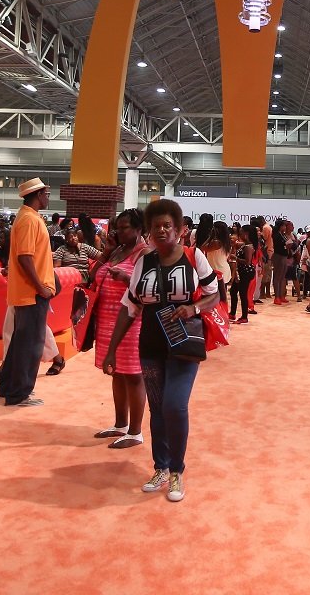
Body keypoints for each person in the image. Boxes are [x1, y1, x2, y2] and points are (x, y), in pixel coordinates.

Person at [105, 198, 220, 503]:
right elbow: (131, 307)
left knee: (174, 405)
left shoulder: (194, 257)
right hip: (151, 344)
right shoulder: (144, 261)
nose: (161, 230)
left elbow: (214, 294)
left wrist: (193, 308)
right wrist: (112, 350)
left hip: (184, 343)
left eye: (167, 225)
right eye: (155, 226)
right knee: (157, 409)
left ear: (180, 230)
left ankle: (177, 471)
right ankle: (161, 467)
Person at [90, 208, 149, 448]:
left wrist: (125, 279)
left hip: (131, 321)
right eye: (117, 227)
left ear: (138, 229)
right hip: (108, 320)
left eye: (125, 228)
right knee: (116, 372)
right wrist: (105, 252)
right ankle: (120, 424)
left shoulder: (144, 254)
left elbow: (147, 289)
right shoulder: (117, 250)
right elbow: (93, 275)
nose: (119, 232)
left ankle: (135, 431)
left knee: (133, 375)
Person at [0, 178, 57, 407]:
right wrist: (40, 286)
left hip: (28, 292)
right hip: (32, 293)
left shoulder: (27, 218)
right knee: (30, 345)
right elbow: (25, 257)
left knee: (20, 343)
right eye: (47, 193)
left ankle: (8, 387)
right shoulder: (29, 220)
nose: (48, 197)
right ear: (39, 194)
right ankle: (19, 393)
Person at [230, 225, 256, 323]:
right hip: (241, 271)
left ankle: (244, 317)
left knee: (242, 293)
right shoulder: (245, 244)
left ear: (246, 233)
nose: (239, 234)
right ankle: (232, 313)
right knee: (233, 291)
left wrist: (235, 258)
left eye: (241, 232)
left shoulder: (248, 246)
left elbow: (248, 261)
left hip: (245, 272)